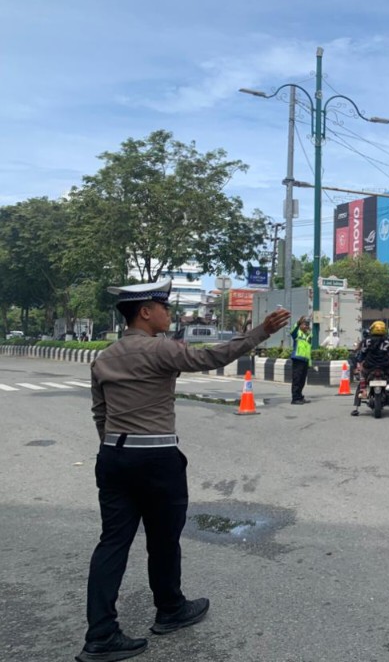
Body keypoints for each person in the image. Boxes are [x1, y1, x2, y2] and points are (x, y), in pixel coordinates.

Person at [78, 281, 290, 662]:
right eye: (163, 306)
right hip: (157, 460)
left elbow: (100, 414)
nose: (168, 313)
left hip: (113, 457)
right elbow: (214, 356)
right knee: (163, 539)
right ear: (145, 312)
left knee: (112, 543)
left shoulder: (104, 357)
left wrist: (115, 450)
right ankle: (170, 609)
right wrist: (263, 331)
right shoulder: (161, 349)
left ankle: (101, 635)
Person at [351, 321, 389, 416]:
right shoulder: (388, 341)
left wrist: (359, 361)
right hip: (384, 367)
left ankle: (359, 401)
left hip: (369, 367)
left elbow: (362, 354)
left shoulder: (366, 341)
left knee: (362, 376)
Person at [289, 316, 312, 404]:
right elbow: (292, 331)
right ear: (300, 325)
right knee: (297, 380)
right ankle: (295, 398)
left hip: (305, 360)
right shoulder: (297, 333)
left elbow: (308, 350)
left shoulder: (308, 336)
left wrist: (309, 363)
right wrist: (298, 323)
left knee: (302, 380)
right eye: (304, 324)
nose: (306, 326)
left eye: (307, 325)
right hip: (297, 359)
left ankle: (300, 396)